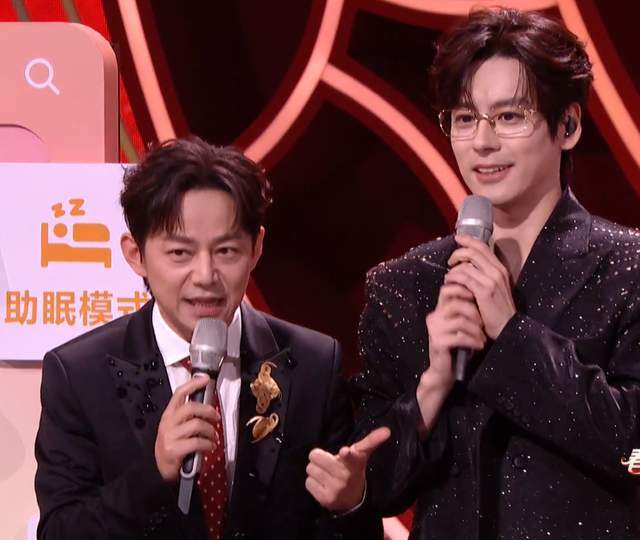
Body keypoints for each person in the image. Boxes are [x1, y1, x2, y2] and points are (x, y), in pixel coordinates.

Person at [306, 7, 640, 539]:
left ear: (568, 125)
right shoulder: (403, 285)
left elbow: (634, 452)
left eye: (508, 117)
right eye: (464, 119)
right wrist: (432, 386)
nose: (482, 142)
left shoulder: (627, 268)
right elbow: (379, 486)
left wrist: (513, 335)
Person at [34, 137, 382, 539]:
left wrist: (351, 505)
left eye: (226, 251)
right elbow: (60, 531)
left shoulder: (313, 365)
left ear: (257, 249)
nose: (205, 275)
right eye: (180, 253)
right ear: (135, 254)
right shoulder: (79, 375)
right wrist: (154, 475)